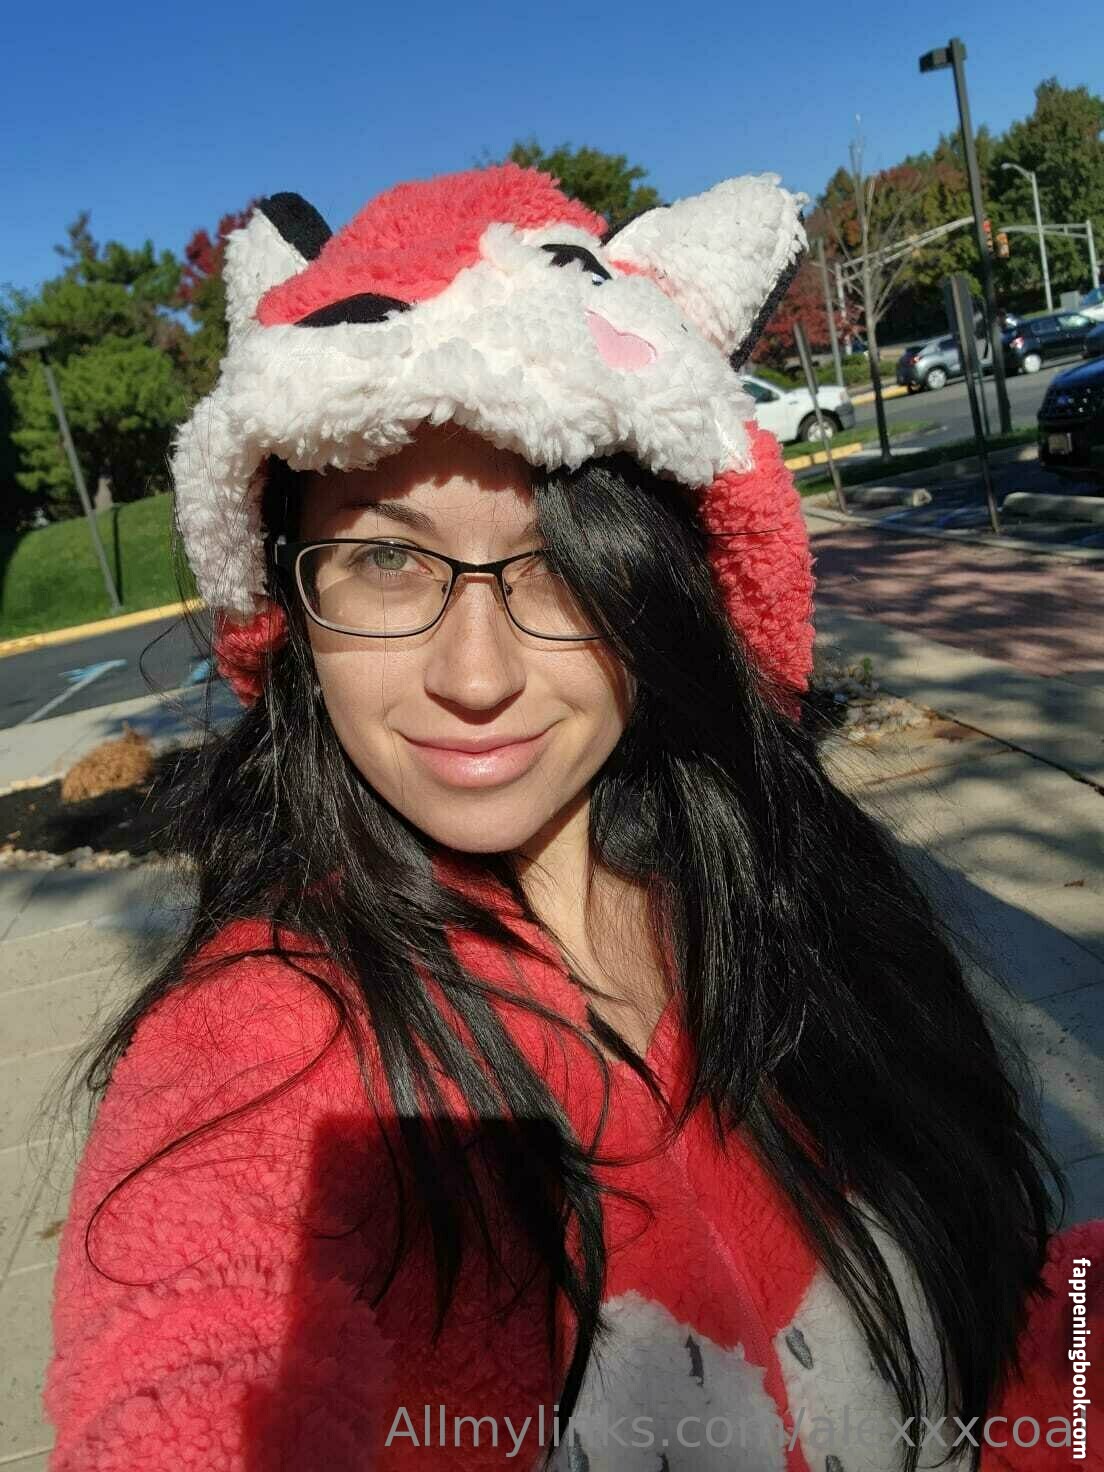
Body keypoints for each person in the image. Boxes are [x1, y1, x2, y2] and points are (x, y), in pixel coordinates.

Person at [43, 164, 1102, 1471]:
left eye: (553, 562)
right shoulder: (270, 1051)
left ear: (664, 581)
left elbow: (1012, 1341)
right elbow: (196, 1356)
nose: (475, 676)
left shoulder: (804, 897)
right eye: (385, 558)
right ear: (291, 611)